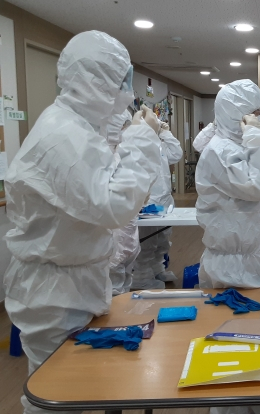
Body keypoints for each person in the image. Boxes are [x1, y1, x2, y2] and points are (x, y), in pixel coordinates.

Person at [3, 30, 161, 414]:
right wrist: (140, 139)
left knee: (82, 387)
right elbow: (112, 204)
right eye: (121, 81)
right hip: (55, 291)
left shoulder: (78, 128)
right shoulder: (62, 135)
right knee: (58, 394)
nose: (127, 92)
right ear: (97, 81)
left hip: (73, 280)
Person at [195, 79, 260, 289]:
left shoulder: (248, 144)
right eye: (254, 113)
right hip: (230, 265)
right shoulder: (219, 150)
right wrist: (256, 137)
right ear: (236, 116)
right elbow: (258, 187)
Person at [131, 105, 183, 290]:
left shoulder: (158, 143)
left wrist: (165, 133)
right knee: (148, 242)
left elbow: (176, 154)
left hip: (164, 198)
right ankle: (141, 278)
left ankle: (157, 269)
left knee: (162, 240)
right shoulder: (135, 143)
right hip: (149, 201)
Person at [106, 109, 142, 296]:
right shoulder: (102, 157)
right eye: (123, 127)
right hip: (113, 231)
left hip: (127, 225)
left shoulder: (118, 154)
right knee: (113, 280)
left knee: (125, 275)